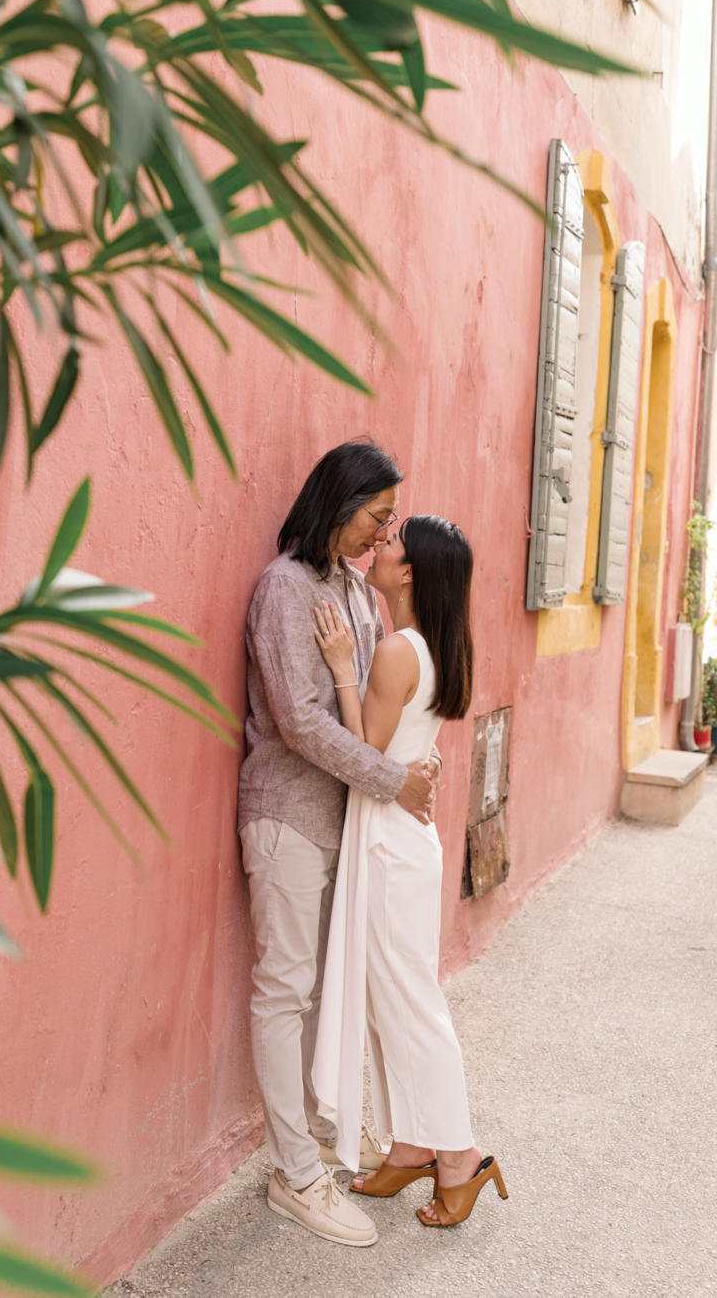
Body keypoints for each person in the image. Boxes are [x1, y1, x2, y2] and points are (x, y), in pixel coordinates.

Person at [238, 441, 442, 1249]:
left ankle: (316, 1139)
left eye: (391, 521)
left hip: (347, 825)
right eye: (377, 517)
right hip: (287, 815)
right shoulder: (283, 589)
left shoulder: (357, 592)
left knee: (324, 991)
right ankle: (295, 1174)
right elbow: (298, 719)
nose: (383, 535)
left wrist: (399, 770)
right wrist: (394, 782)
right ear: (340, 499)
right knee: (284, 990)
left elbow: (365, 705)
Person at [310, 516, 508, 1230]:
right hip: (403, 837)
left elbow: (364, 747)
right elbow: (405, 750)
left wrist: (339, 668)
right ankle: (414, 1143)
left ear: (412, 572)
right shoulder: (441, 649)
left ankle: (460, 1157)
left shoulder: (397, 650)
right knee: (393, 1000)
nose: (379, 546)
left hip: (390, 840)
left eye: (392, 543)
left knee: (410, 1004)